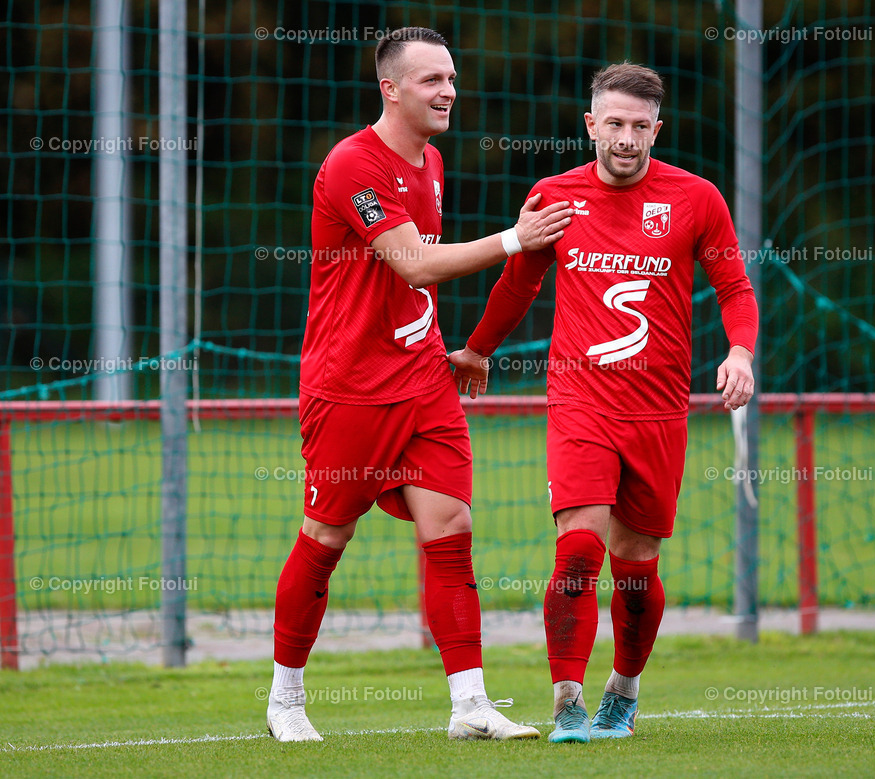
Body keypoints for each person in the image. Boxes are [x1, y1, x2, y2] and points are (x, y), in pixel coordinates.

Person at [266, 26, 572, 743]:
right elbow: (415, 266)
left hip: (426, 379)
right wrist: (513, 240)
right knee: (325, 537)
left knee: (452, 528)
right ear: (391, 89)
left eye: (453, 79)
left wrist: (461, 350)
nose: (449, 92)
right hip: (349, 387)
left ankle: (470, 705)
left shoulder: (432, 161)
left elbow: (417, 286)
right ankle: (285, 699)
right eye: (433, 80)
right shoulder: (351, 164)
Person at [449, 62, 758, 743]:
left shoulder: (697, 198)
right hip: (580, 402)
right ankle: (567, 701)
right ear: (590, 124)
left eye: (639, 126)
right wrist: (477, 348)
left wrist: (739, 353)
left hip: (658, 410)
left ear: (658, 128)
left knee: (637, 566)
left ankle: (623, 690)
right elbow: (518, 284)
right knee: (579, 548)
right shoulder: (555, 197)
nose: (625, 138)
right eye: (613, 123)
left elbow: (734, 289)